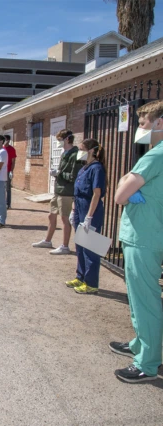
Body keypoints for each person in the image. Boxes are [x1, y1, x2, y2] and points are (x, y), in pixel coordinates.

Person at [110, 99, 163, 383]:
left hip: (144, 236)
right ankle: (142, 344)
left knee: (145, 300)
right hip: (149, 234)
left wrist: (125, 182)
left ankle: (148, 363)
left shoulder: (156, 155)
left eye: (143, 123)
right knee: (140, 297)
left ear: (159, 123)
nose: (139, 129)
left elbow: (120, 194)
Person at [64, 139, 106, 295]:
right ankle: (80, 276)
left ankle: (91, 283)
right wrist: (74, 210)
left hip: (90, 208)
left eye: (82, 149)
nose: (79, 152)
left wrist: (89, 216)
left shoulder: (97, 168)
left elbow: (97, 193)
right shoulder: (84, 168)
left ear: (92, 151)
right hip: (80, 206)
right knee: (80, 245)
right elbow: (76, 191)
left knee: (91, 248)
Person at [32, 129, 83, 254]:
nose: (58, 142)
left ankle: (65, 246)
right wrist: (57, 174)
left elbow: (74, 176)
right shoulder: (65, 153)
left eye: (60, 140)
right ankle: (48, 240)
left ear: (67, 139)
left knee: (65, 219)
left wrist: (59, 173)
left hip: (67, 191)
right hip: (59, 190)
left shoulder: (75, 154)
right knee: (51, 215)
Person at [3, 135, 17, 210]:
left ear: (8, 140)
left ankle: (8, 204)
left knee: (8, 188)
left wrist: (11, 171)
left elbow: (13, 161)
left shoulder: (12, 149)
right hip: (1, 171)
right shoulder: (1, 148)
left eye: (5, 140)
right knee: (1, 188)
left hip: (8, 171)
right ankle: (2, 203)